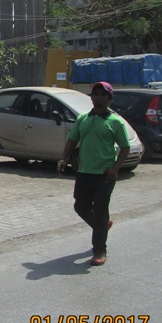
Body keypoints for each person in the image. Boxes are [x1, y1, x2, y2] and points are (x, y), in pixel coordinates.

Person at [58, 81, 130, 266]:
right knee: (80, 207)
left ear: (109, 98)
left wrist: (115, 168)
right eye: (95, 94)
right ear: (91, 98)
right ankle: (103, 226)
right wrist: (63, 159)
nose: (98, 97)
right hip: (84, 172)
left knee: (100, 209)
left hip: (104, 174)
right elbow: (72, 140)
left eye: (103, 95)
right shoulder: (82, 119)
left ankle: (99, 249)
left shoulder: (115, 122)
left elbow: (125, 147)